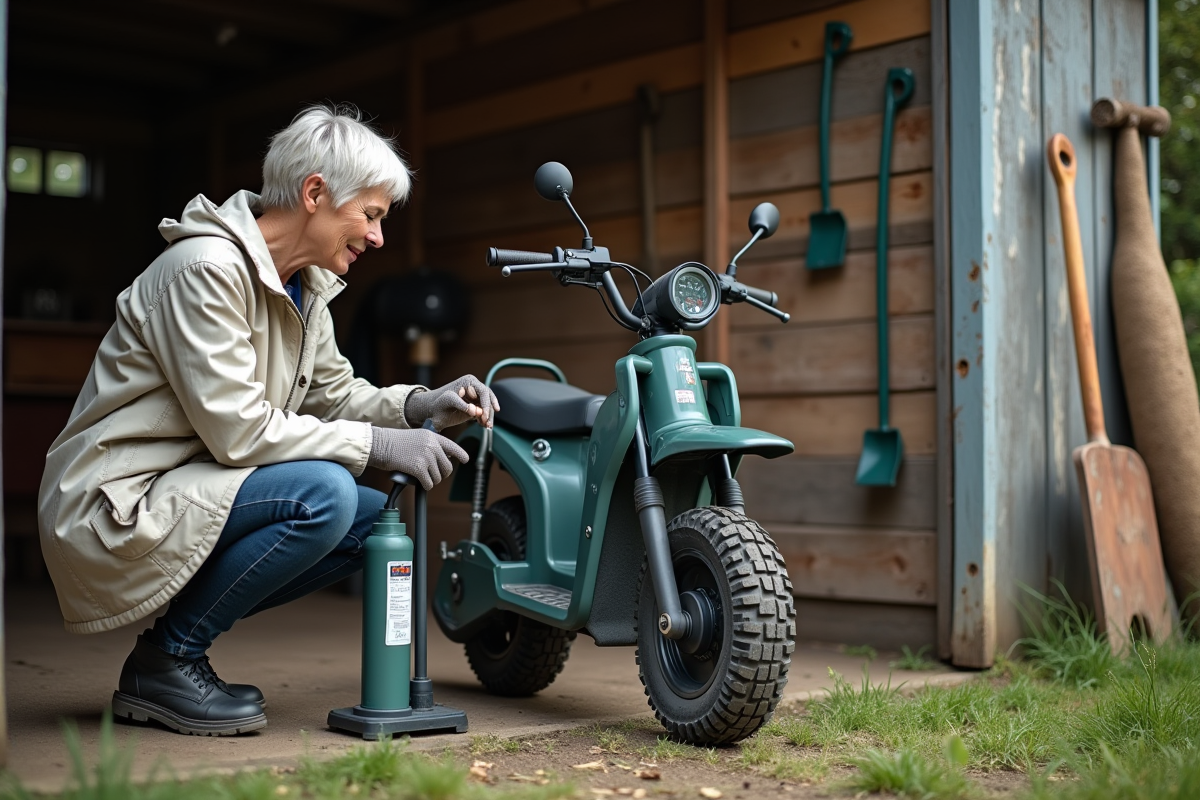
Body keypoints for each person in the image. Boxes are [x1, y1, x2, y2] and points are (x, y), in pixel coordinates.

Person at [37, 104, 498, 736]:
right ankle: (167, 662)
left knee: (368, 519)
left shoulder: (306, 289)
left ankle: (170, 657)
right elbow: (241, 432)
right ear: (315, 193)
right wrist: (379, 444)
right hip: (113, 502)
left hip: (194, 488)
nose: (378, 237)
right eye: (370, 215)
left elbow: (333, 394)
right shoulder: (204, 271)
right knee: (327, 493)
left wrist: (418, 405)